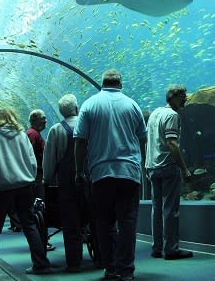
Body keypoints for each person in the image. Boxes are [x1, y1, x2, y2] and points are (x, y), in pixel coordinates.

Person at [74, 69, 147, 281]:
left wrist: (79, 171)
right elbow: (143, 138)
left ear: (102, 83)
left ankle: (111, 268)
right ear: (120, 84)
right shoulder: (132, 105)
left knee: (104, 223)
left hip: (101, 173)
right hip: (129, 172)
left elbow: (80, 140)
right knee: (128, 223)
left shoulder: (89, 105)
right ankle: (127, 271)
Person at [0, 107, 52, 279]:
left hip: (3, 188)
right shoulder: (22, 135)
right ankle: (41, 263)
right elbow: (32, 161)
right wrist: (29, 178)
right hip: (24, 185)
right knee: (29, 224)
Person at [145, 84, 193, 260]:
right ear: (171, 97)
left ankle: (157, 248)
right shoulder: (172, 115)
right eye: (182, 95)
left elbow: (148, 141)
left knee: (156, 209)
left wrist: (146, 165)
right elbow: (172, 143)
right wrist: (184, 169)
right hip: (168, 167)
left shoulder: (154, 114)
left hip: (152, 167)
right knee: (170, 210)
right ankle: (171, 249)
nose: (185, 98)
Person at [43, 93, 88, 272]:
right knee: (96, 217)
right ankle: (103, 257)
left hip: (66, 184)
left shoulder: (56, 130)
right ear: (77, 108)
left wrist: (47, 180)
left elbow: (49, 160)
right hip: (89, 181)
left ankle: (74, 262)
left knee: (70, 222)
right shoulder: (88, 124)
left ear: (62, 112)